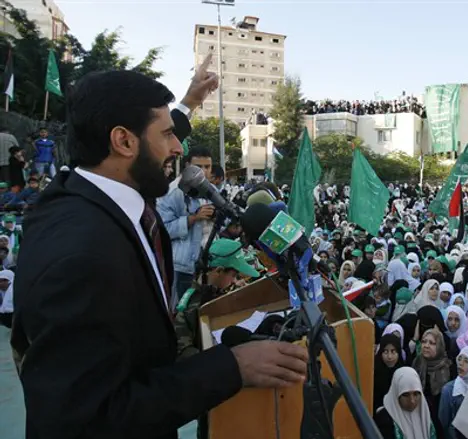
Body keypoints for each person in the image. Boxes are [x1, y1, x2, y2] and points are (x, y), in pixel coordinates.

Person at [11, 62, 309, 438]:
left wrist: (189, 102)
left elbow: (148, 143)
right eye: (168, 134)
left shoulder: (91, 188)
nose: (178, 147)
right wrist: (231, 367)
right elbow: (89, 418)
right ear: (123, 141)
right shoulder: (83, 256)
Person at [174, 238, 260, 359]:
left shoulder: (215, 289)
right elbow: (183, 348)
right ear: (219, 270)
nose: (235, 280)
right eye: (234, 276)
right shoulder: (192, 304)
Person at [157, 146, 217, 309]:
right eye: (198, 167)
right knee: (183, 313)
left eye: (207, 167)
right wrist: (193, 218)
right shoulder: (172, 193)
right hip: (184, 267)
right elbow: (164, 230)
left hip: (209, 264)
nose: (203, 172)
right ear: (187, 166)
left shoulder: (212, 190)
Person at [374, 367, 437, 439]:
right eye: (405, 395)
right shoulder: (384, 420)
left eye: (416, 394)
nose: (412, 401)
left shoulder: (429, 413)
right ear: (396, 394)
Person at [412, 328, 453, 437]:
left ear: (439, 346)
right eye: (424, 341)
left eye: (432, 343)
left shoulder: (448, 368)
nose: (426, 345)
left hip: (438, 419)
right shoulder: (417, 362)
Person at [438, 346, 468, 439]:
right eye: (459, 359)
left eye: (467, 361)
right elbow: (444, 422)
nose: (460, 364)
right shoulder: (449, 390)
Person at [375, 334, 405, 414]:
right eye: (385, 351)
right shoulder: (373, 373)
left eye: (393, 351)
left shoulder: (404, 374)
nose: (389, 356)